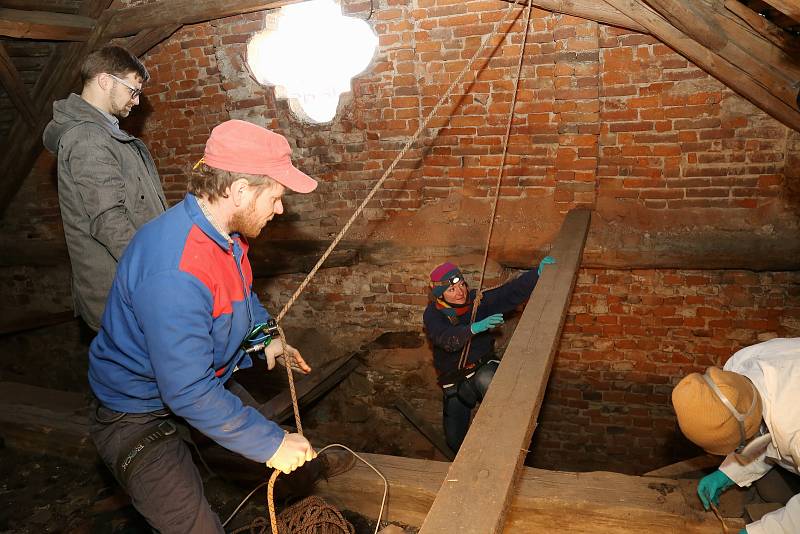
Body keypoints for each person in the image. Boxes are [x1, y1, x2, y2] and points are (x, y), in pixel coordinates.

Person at [88, 120, 318, 533]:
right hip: (139, 413)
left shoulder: (227, 237)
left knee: (279, 448)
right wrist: (269, 444)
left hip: (203, 382)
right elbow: (188, 390)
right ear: (241, 190)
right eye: (276, 197)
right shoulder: (175, 269)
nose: (280, 209)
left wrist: (264, 336)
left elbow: (240, 295)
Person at [43, 45, 167, 332]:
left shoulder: (103, 134)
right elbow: (109, 222)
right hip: (121, 295)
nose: (136, 102)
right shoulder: (88, 138)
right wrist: (160, 274)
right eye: (133, 91)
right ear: (104, 80)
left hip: (133, 289)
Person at [423, 256, 555, 452]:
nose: (460, 293)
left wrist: (536, 273)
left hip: (482, 368)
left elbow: (508, 293)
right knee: (454, 441)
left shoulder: (477, 301)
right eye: (451, 290)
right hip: (454, 381)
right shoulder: (433, 315)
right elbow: (446, 339)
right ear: (440, 296)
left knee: (493, 386)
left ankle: (508, 445)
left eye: (462, 285)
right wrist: (473, 328)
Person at [672, 337, 800, 534]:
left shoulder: (794, 431)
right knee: (770, 489)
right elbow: (753, 426)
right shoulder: (735, 370)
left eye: (736, 446)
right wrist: (728, 473)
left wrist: (761, 531)